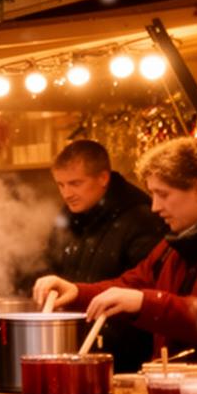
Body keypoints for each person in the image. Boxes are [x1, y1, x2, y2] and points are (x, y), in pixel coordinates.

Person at [36, 137, 197, 364]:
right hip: (178, 385)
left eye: (164, 194)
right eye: (153, 194)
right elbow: (133, 283)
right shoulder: (172, 247)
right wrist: (76, 292)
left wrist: (145, 302)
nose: (155, 207)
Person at [36, 139, 166, 371]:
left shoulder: (142, 217)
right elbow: (50, 263)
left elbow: (144, 287)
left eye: (75, 183)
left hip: (125, 359)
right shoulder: (67, 216)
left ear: (103, 178)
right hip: (77, 348)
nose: (67, 193)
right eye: (61, 185)